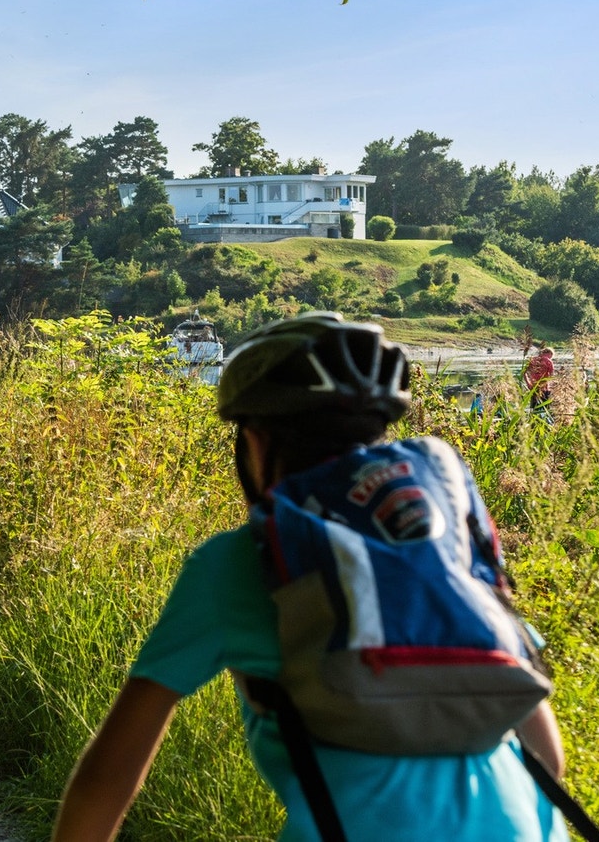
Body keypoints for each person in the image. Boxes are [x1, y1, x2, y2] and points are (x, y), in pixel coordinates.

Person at [51, 313, 567, 842]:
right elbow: (546, 754)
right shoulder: (439, 539)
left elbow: (112, 771)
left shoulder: (237, 562)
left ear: (254, 441)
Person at [524, 347, 555, 411]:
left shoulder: (532, 360)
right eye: (551, 356)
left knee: (534, 409)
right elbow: (551, 375)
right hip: (545, 388)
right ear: (549, 353)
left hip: (534, 387)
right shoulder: (548, 361)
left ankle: (533, 419)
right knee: (545, 409)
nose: (550, 358)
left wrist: (528, 383)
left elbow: (524, 373)